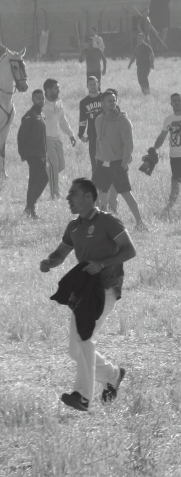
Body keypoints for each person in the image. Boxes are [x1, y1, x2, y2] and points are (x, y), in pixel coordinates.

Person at [39, 178, 134, 412]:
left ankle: (82, 396)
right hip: (85, 290)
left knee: (83, 339)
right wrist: (49, 262)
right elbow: (61, 253)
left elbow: (130, 250)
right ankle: (113, 375)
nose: (68, 198)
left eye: (73, 193)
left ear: (89, 197)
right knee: (75, 349)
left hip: (106, 289)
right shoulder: (74, 226)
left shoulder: (108, 221)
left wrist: (102, 264)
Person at [93, 89, 146, 231]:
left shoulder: (123, 121)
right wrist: (98, 157)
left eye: (114, 100)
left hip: (117, 163)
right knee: (94, 192)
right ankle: (98, 222)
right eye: (109, 101)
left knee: (126, 193)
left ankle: (140, 223)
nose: (112, 103)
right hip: (102, 163)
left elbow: (128, 144)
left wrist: (124, 163)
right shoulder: (98, 120)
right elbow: (98, 141)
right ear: (102, 103)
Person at [42, 78, 76, 200]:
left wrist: (70, 134)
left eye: (58, 87)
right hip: (46, 138)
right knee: (54, 164)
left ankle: (43, 174)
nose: (59, 90)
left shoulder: (58, 102)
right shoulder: (41, 104)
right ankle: (55, 192)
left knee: (61, 165)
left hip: (57, 138)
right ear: (48, 90)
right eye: (56, 88)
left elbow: (62, 120)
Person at [17, 89, 48, 219]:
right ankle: (30, 206)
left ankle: (30, 210)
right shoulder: (30, 115)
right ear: (32, 100)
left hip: (40, 154)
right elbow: (21, 135)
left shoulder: (41, 115)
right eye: (38, 98)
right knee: (44, 177)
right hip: (32, 154)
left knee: (34, 181)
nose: (41, 100)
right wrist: (22, 153)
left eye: (42, 98)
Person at [78, 76, 104, 174]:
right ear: (87, 86)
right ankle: (96, 180)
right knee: (94, 160)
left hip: (106, 132)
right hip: (93, 134)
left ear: (98, 84)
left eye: (94, 84)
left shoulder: (105, 97)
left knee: (107, 159)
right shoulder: (83, 102)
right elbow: (82, 120)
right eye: (90, 84)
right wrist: (81, 134)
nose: (93, 86)